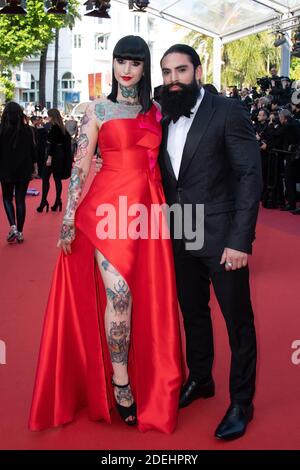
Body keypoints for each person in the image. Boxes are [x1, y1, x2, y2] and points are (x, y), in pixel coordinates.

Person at [29, 36, 182, 433]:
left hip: (147, 213)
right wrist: (67, 216)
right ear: (113, 65)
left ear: (145, 67)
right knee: (120, 294)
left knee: (147, 294)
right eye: (120, 61)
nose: (126, 68)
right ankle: (121, 383)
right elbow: (81, 166)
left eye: (134, 61)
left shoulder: (157, 110)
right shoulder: (95, 110)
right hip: (105, 212)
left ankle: (150, 374)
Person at [158, 44, 262, 440]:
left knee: (239, 322)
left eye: (180, 71)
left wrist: (240, 241)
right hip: (181, 233)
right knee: (193, 313)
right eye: (167, 72)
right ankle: (201, 378)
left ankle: (241, 402)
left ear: (197, 71)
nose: (173, 79)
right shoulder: (164, 115)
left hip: (223, 239)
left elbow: (250, 176)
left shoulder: (227, 111)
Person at [0, 102, 37, 243]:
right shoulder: (28, 130)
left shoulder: (1, 130)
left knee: (7, 198)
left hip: (5, 169)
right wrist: (35, 166)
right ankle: (20, 232)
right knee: (21, 200)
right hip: (24, 169)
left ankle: (13, 227)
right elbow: (33, 150)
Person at [36, 109, 72, 213]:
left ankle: (43, 202)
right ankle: (57, 201)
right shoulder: (62, 128)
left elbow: (52, 145)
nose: (47, 118)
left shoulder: (55, 128)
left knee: (45, 178)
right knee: (57, 179)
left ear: (52, 116)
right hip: (60, 158)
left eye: (48, 116)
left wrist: (49, 158)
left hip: (54, 156)